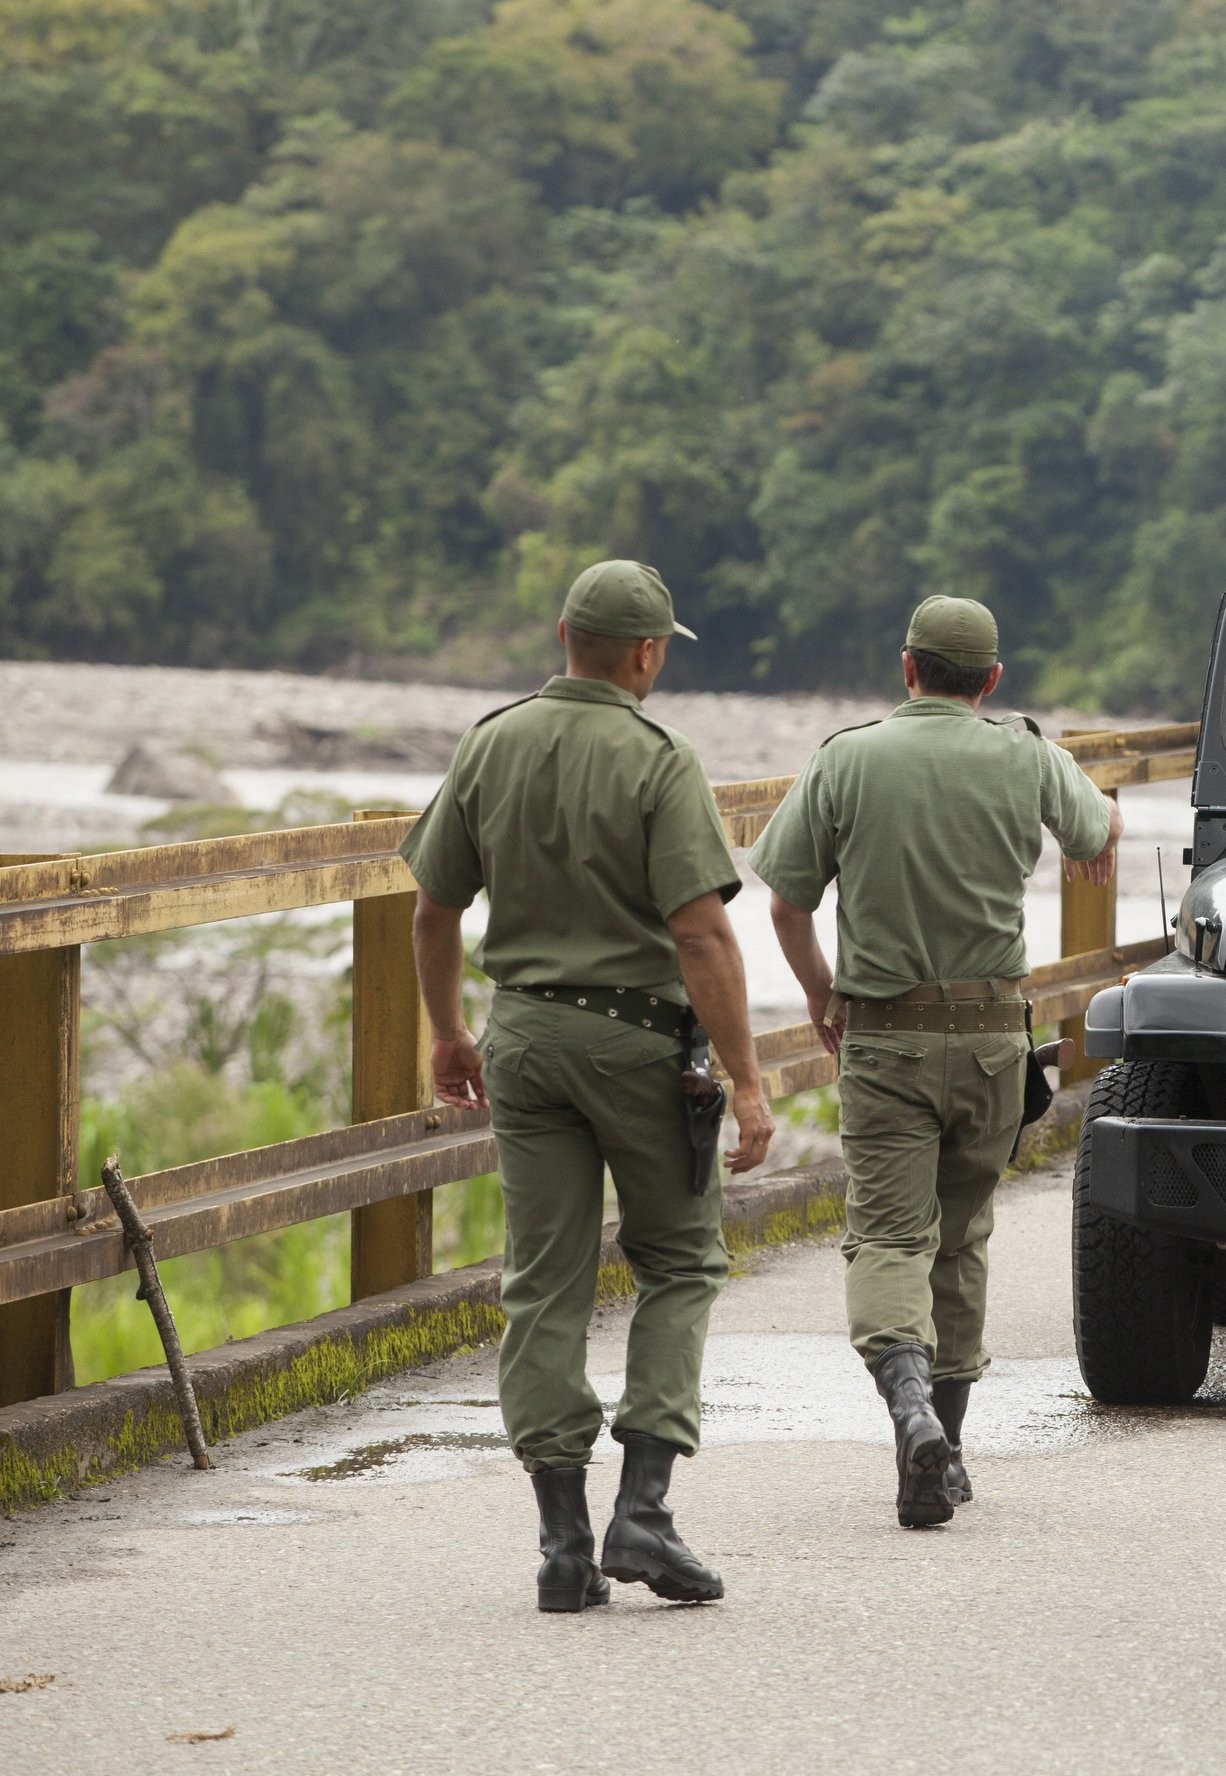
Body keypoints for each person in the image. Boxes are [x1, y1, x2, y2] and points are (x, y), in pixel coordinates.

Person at [403, 560, 776, 1614]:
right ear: (649, 652)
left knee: (543, 1281)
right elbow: (700, 930)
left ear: (565, 632)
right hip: (636, 1045)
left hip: (519, 1037)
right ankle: (643, 1512)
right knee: (680, 1258)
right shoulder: (659, 761)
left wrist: (445, 1031)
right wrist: (746, 1081)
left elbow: (431, 910)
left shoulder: (490, 741)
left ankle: (563, 1545)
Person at [753, 595, 1119, 1529]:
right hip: (995, 1040)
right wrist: (1093, 838)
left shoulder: (847, 758)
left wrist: (818, 989)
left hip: (885, 1037)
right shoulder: (1027, 754)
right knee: (960, 1237)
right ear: (991, 680)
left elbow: (786, 903)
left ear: (906, 666)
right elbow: (1096, 830)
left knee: (886, 1237)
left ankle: (908, 1409)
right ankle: (946, 1449)